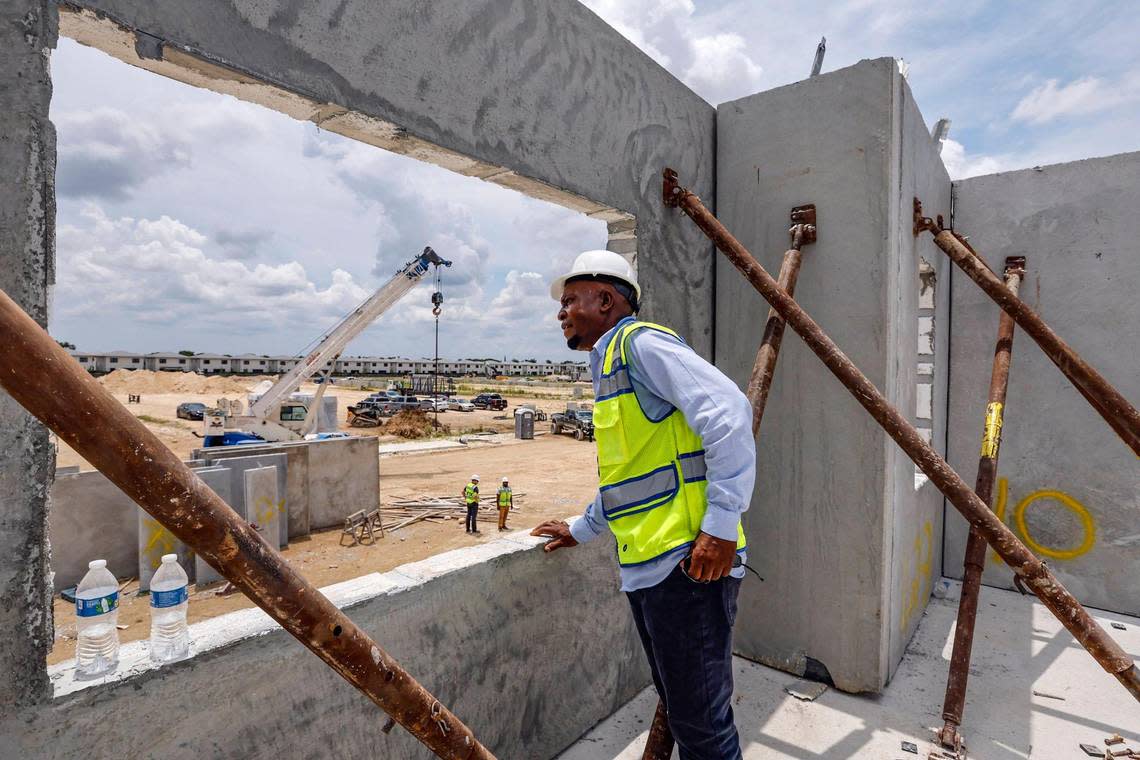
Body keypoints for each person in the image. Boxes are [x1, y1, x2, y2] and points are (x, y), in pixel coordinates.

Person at [531, 250, 755, 760]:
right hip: (653, 570)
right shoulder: (609, 364)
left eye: (570, 300)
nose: (560, 312)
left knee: (703, 726)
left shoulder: (640, 344)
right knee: (687, 712)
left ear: (606, 299)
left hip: (687, 566)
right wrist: (581, 528)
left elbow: (729, 415)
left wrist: (720, 528)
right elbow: (629, 475)